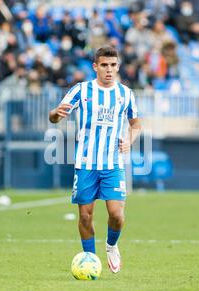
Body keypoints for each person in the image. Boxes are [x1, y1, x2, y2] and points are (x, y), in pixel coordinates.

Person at [48, 46, 142, 273]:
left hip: (113, 164)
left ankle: (111, 246)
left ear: (117, 66)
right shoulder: (81, 90)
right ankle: (89, 259)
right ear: (95, 67)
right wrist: (55, 114)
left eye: (112, 65)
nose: (109, 70)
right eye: (104, 65)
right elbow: (54, 117)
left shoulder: (125, 94)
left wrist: (130, 139)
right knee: (85, 216)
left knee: (117, 215)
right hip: (86, 164)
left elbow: (135, 124)